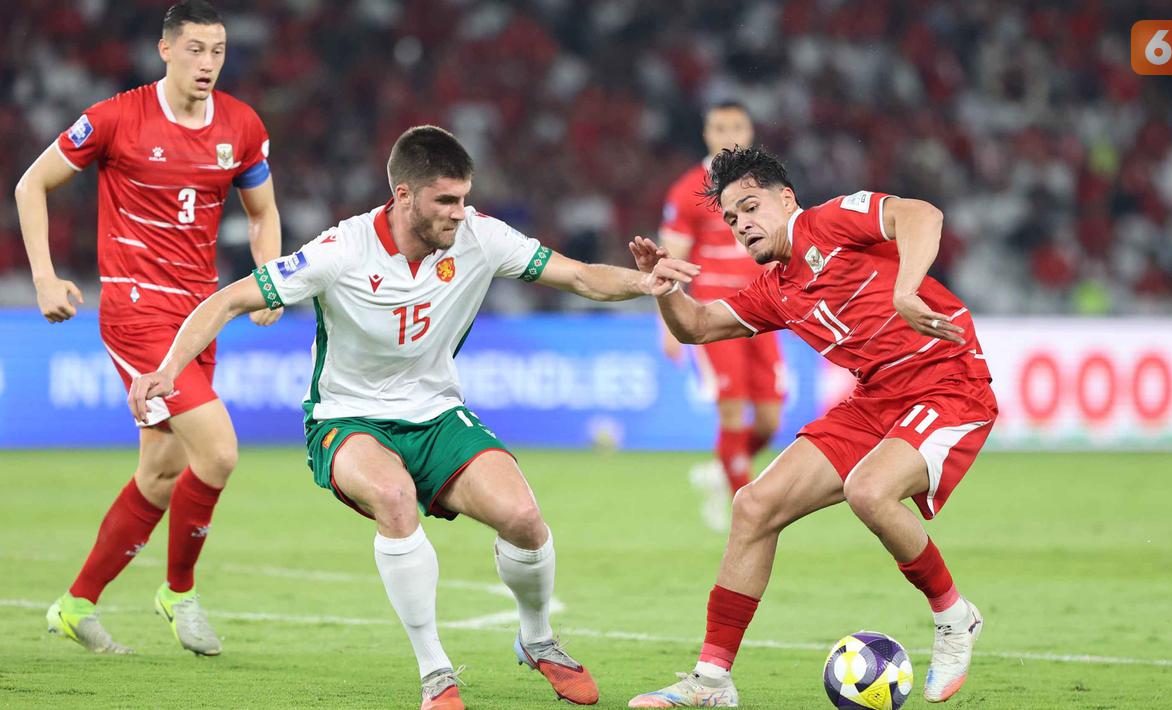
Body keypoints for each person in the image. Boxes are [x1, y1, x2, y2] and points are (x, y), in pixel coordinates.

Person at [128, 125, 674, 709]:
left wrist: (644, 283)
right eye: (446, 200)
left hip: (436, 412)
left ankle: (537, 637)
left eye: (464, 198)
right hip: (346, 419)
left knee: (523, 518)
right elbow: (229, 299)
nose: (459, 213)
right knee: (393, 499)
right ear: (404, 196)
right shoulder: (341, 250)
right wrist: (167, 368)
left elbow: (580, 275)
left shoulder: (481, 238)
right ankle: (435, 671)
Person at [627, 146, 997, 707]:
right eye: (730, 219)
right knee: (754, 506)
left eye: (750, 207)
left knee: (869, 490)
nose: (741, 225)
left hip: (947, 381)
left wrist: (905, 290)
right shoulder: (777, 289)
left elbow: (923, 215)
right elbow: (698, 327)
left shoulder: (830, 221)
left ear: (786, 198)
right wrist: (665, 288)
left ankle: (953, 617)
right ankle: (710, 682)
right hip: (876, 398)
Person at [14, 0, 281, 656]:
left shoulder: (242, 126)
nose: (207, 63)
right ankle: (179, 591)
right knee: (216, 452)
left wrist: (269, 275)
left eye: (217, 51)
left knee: (161, 471)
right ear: (165, 50)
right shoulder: (115, 118)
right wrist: (46, 277)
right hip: (135, 312)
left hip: (200, 313)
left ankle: (76, 605)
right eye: (194, 49)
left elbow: (264, 210)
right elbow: (30, 185)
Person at [658, 102, 784, 530]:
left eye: (737, 125)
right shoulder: (689, 189)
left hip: (766, 310)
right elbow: (669, 259)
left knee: (769, 419)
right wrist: (669, 323)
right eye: (719, 126)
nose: (728, 133)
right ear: (706, 133)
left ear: (750, 131)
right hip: (716, 314)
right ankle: (746, 514)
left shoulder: (764, 186)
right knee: (732, 413)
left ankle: (723, 468)